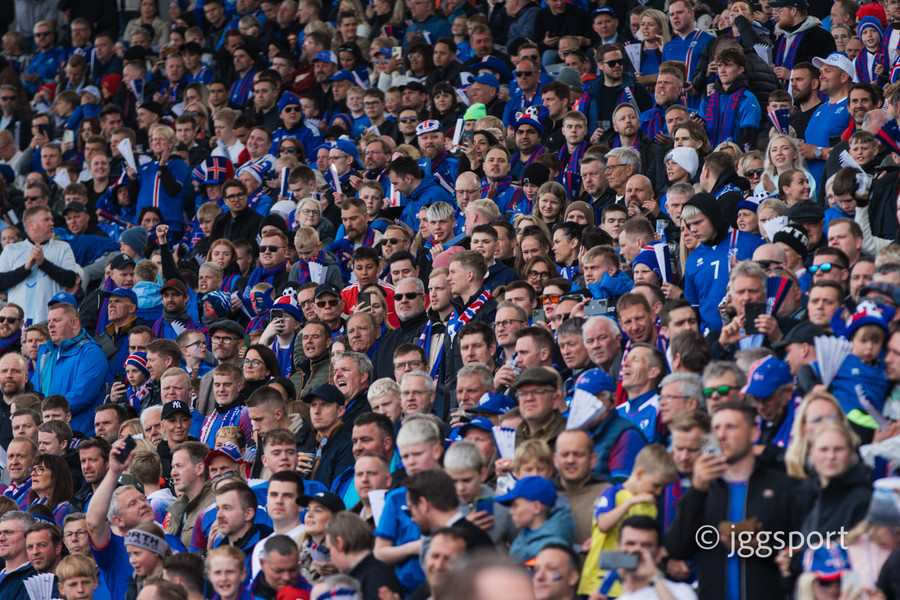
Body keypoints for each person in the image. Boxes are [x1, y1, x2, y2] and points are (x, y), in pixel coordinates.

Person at [664, 402, 802, 600]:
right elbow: (677, 548)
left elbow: (804, 552)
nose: (721, 435)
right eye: (716, 428)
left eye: (731, 427)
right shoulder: (702, 491)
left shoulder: (784, 487)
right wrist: (697, 490)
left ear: (754, 434)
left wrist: (763, 548)